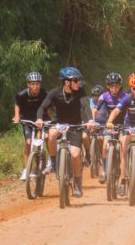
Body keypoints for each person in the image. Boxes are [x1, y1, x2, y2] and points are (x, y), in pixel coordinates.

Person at [35, 67, 94, 198]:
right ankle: (54, 161)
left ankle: (78, 184)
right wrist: (39, 118)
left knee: (75, 155)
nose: (79, 83)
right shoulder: (55, 93)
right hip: (60, 123)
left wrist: (90, 120)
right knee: (50, 134)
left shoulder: (81, 92)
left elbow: (85, 106)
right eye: (76, 80)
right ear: (67, 82)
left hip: (75, 126)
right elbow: (42, 107)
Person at [13, 71, 50, 181]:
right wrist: (16, 116)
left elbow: (48, 107)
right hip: (28, 121)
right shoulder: (22, 94)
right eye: (32, 84)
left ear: (40, 84)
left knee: (45, 139)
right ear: (28, 84)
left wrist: (49, 117)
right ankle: (26, 170)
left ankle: (49, 160)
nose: (35, 86)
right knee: (28, 143)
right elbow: (17, 104)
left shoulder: (44, 93)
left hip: (41, 120)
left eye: (37, 84)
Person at [93, 72, 127, 184]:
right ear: (107, 86)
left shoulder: (125, 96)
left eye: (116, 85)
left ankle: (123, 171)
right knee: (105, 145)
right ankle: (104, 171)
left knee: (123, 146)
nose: (114, 88)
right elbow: (95, 108)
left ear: (120, 85)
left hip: (124, 124)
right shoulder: (104, 96)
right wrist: (93, 121)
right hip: (109, 124)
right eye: (111, 85)